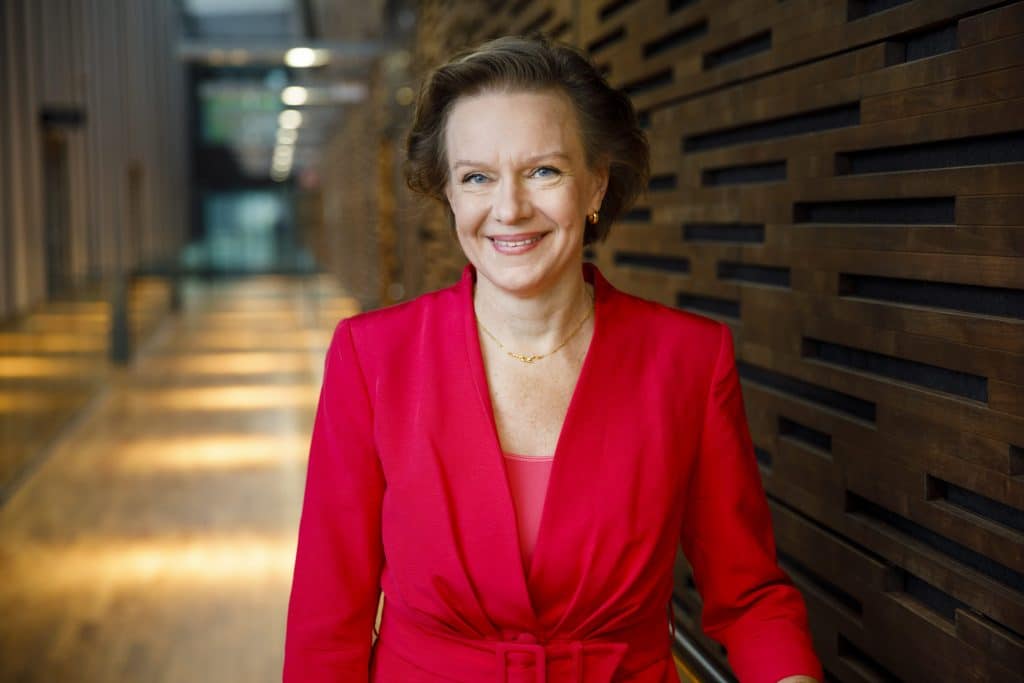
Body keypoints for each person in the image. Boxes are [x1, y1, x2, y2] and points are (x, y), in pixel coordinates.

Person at [283, 34, 823, 683]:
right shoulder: (371, 357)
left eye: (543, 171)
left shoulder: (688, 359)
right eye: (477, 177)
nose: (509, 208)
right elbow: (326, 622)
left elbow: (750, 597)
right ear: (450, 194)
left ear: (596, 184)